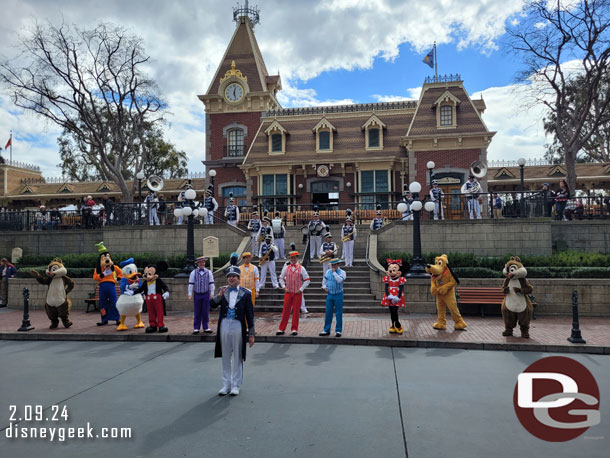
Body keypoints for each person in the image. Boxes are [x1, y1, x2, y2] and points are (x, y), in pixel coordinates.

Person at [210, 266, 255, 397]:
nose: (231, 278)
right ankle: (226, 384)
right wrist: (218, 296)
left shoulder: (246, 294)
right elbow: (211, 305)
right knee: (225, 355)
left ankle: (235, 384)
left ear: (238, 278)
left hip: (238, 326)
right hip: (224, 324)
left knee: (237, 355)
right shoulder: (222, 291)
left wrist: (251, 334)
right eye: (229, 276)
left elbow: (250, 315)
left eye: (234, 276)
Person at [277, 249, 310, 336]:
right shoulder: (286, 268)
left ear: (297, 258)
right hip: (288, 292)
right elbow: (280, 278)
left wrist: (301, 289)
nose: (293, 259)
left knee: (296, 311)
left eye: (294, 257)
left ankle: (294, 329)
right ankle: (281, 328)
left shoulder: (301, 268)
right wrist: (284, 287)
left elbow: (307, 280)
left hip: (297, 293)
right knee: (285, 311)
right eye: (292, 258)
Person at [319, 258, 346, 337]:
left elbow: (339, 280)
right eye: (332, 265)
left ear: (338, 265)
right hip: (330, 294)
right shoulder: (328, 272)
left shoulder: (342, 272)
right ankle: (326, 330)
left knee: (338, 313)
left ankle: (338, 330)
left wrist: (334, 272)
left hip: (338, 294)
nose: (333, 266)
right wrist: (324, 287)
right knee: (328, 312)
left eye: (334, 265)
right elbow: (324, 281)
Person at [188, 256, 215, 334]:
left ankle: (206, 327)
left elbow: (211, 283)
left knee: (205, 311)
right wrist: (190, 294)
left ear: (204, 263)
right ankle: (196, 327)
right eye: (200, 262)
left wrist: (212, 293)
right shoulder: (193, 272)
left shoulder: (208, 272)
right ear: (197, 264)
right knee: (197, 311)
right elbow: (191, 284)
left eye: (202, 262)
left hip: (205, 294)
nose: (201, 264)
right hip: (197, 294)